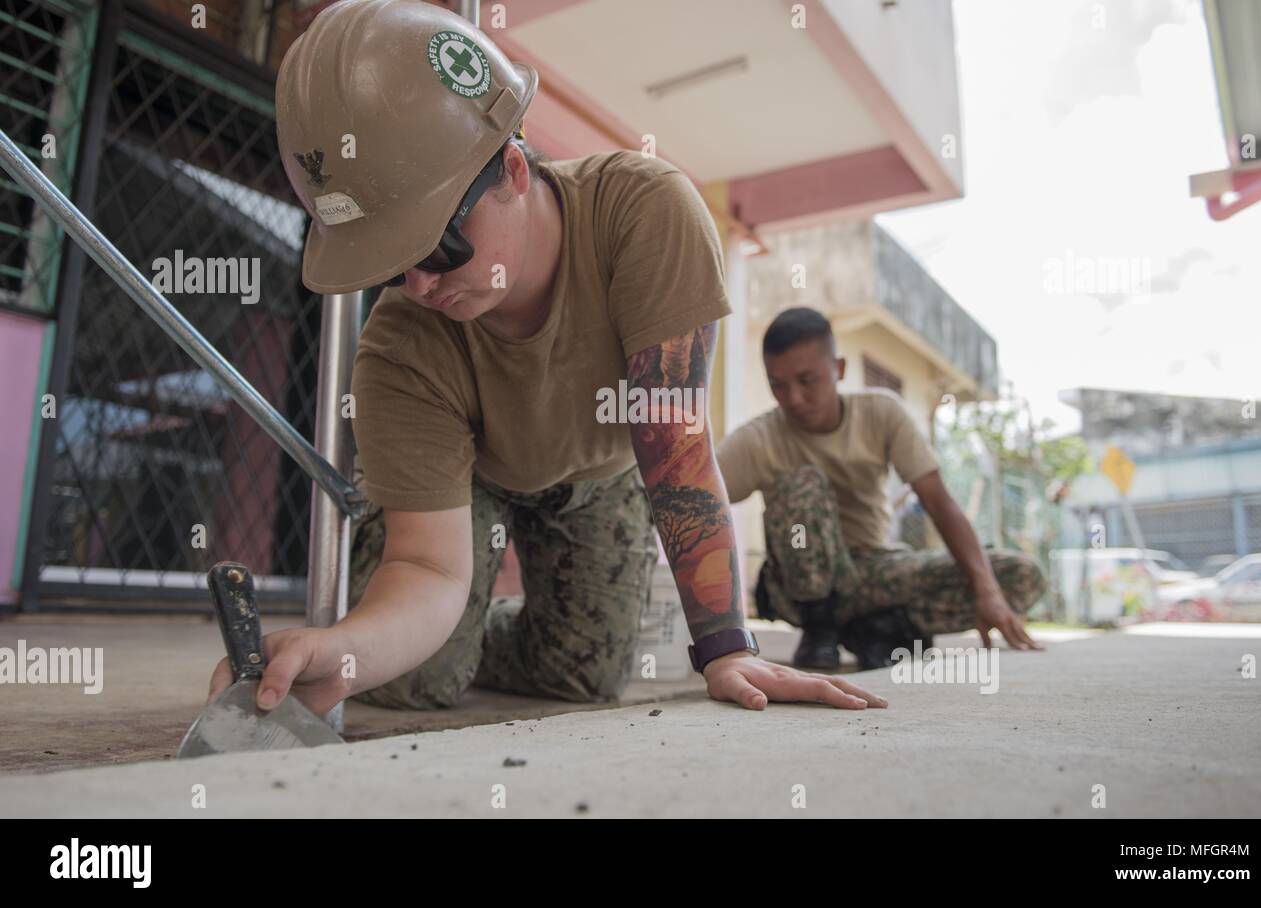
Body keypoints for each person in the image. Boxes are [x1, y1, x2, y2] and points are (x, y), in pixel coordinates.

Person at [207, 0, 887, 714]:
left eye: (437, 246)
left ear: (511, 169)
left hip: (597, 472)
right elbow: (426, 566)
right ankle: (450, 644)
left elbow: (675, 449)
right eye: (390, 262)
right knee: (412, 679)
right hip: (468, 476)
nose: (419, 285)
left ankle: (479, 634)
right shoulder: (401, 345)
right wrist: (344, 650)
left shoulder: (646, 215)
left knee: (581, 677)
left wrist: (728, 649)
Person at [715, 307, 1046, 670]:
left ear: (838, 369)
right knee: (802, 483)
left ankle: (872, 628)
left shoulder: (882, 413)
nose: (793, 397)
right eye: (778, 384)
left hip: (874, 571)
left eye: (807, 380)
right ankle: (823, 626)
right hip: (797, 589)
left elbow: (938, 501)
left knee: (1020, 576)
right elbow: (693, 494)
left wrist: (988, 592)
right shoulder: (758, 438)